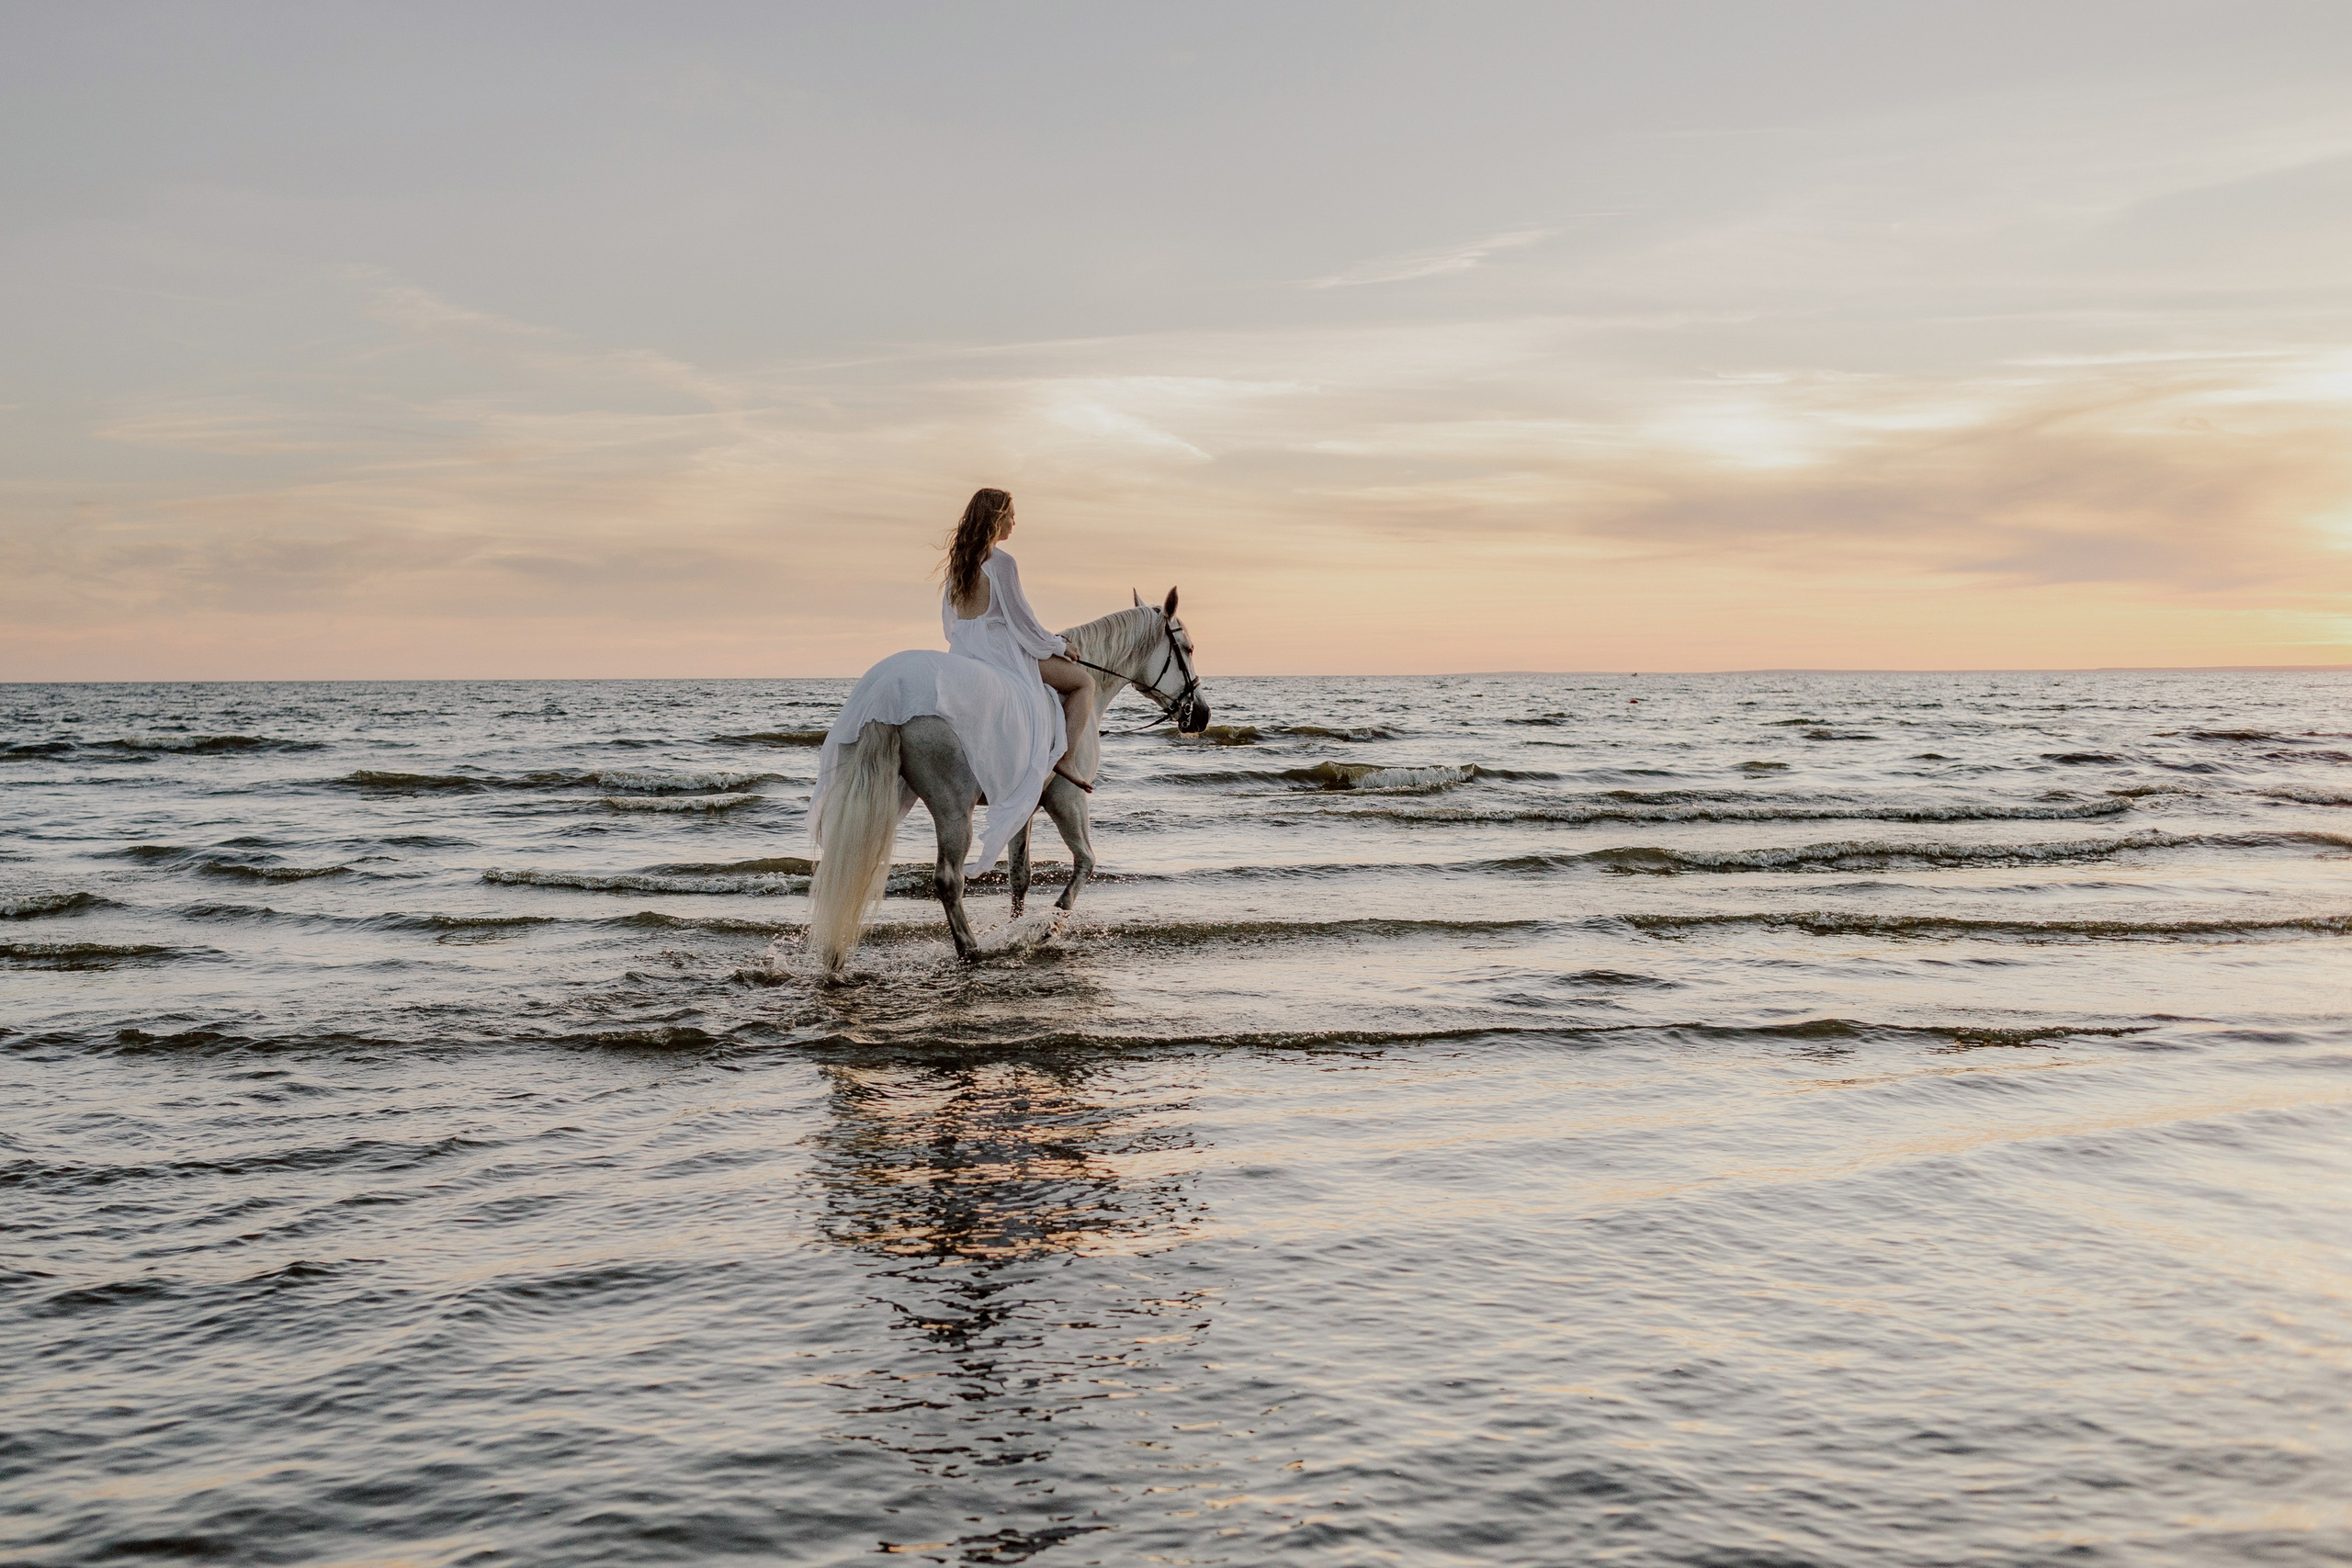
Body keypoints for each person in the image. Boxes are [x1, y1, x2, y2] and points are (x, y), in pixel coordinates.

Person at [942, 488, 1094, 793]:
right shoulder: (1001, 562)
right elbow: (1021, 621)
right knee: (1084, 683)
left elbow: (951, 622)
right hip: (1000, 651)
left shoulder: (959, 562)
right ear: (996, 519)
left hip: (963, 651)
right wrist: (1059, 646)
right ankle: (1067, 758)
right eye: (1011, 515)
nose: (1014, 521)